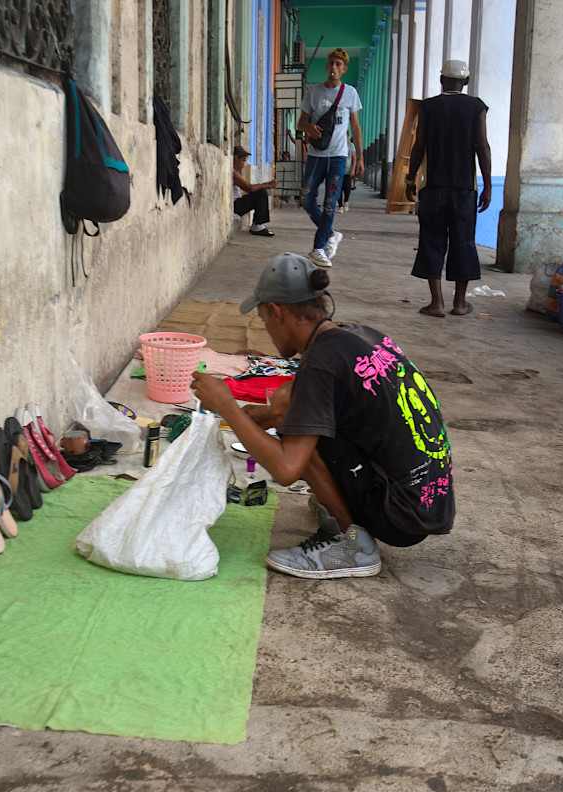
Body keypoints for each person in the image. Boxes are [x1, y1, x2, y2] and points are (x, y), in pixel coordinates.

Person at [191, 253, 455, 579]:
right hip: (428, 500)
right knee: (290, 400)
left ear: (277, 311)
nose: (267, 330)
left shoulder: (321, 361)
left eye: (263, 320)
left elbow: (287, 469)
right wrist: (270, 413)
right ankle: (343, 509)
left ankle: (352, 545)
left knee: (295, 427)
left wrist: (227, 405)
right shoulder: (358, 334)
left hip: (398, 514)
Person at [405, 59, 492, 317]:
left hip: (433, 189)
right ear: (465, 82)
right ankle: (460, 303)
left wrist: (410, 178)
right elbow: (482, 146)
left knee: (432, 242)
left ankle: (436, 303)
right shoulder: (476, 107)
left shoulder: (428, 107)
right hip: (464, 190)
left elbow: (419, 145)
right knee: (463, 242)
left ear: (441, 80)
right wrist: (487, 186)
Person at [296, 48, 364, 269]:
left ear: (344, 69)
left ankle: (318, 247)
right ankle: (332, 234)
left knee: (329, 204)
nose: (334, 67)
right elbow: (300, 123)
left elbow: (355, 126)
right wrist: (309, 128)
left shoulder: (350, 93)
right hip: (316, 156)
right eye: (331, 63)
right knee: (307, 200)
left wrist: (360, 157)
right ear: (326, 67)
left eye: (338, 64)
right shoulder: (314, 92)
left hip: (337, 157)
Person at [233, 146, 278, 237]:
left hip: (237, 202)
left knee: (259, 193)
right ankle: (257, 226)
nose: (245, 161)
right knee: (261, 193)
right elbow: (249, 188)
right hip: (235, 206)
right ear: (235, 159)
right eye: (242, 159)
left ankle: (258, 224)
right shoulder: (232, 172)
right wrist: (268, 185)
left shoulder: (235, 172)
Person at [339, 138, 357, 213]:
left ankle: (346, 201)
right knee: (338, 188)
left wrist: (353, 169)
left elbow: (354, 158)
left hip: (348, 171)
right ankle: (340, 206)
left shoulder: (351, 146)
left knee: (347, 188)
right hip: (339, 170)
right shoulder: (338, 144)